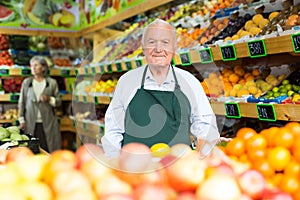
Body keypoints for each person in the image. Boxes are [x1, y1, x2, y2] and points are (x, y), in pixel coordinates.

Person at [102, 19, 223, 158]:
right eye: (152, 42)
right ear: (143, 48)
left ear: (174, 48)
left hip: (179, 168)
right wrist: (114, 162)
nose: (158, 49)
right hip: (134, 169)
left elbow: (205, 124)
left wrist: (208, 147)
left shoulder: (189, 82)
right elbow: (113, 130)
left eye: (165, 43)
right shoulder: (127, 81)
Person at [18, 56, 62, 152]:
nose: (33, 68)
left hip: (48, 122)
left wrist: (49, 99)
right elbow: (22, 102)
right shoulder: (27, 83)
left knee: (47, 148)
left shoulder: (51, 83)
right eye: (31, 66)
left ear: (43, 67)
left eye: (36, 65)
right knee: (31, 149)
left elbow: (58, 102)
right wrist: (21, 119)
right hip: (30, 122)